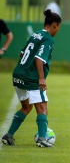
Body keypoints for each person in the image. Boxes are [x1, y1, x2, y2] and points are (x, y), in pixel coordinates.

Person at [1, 9, 62, 148]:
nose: (58, 30)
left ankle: (8, 136)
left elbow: (22, 54)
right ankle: (42, 138)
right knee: (42, 108)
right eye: (59, 27)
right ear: (55, 25)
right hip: (31, 78)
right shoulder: (48, 39)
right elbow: (39, 58)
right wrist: (41, 78)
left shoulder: (35, 34)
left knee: (26, 107)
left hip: (18, 74)